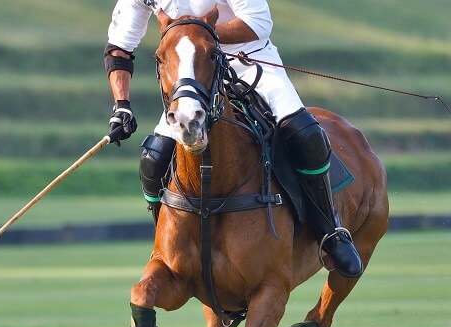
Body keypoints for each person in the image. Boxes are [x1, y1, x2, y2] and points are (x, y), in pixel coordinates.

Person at [104, 0, 364, 278]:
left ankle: (330, 231)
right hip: (193, 76)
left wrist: (199, 34)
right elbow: (119, 49)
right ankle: (166, 247)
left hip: (249, 63)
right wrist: (121, 105)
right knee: (153, 161)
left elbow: (258, 22)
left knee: (306, 135)